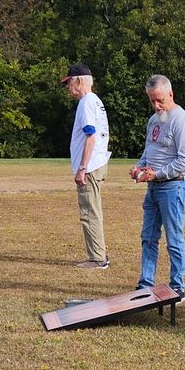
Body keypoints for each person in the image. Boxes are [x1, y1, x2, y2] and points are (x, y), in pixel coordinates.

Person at [132, 75, 185, 296]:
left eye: (159, 100)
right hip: (153, 188)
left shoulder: (182, 121)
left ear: (171, 94)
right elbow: (148, 150)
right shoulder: (154, 121)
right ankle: (145, 284)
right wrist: (139, 168)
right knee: (148, 236)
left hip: (173, 188)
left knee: (173, 237)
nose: (156, 105)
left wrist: (157, 174)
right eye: (152, 101)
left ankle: (177, 286)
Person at [64, 63, 113, 269]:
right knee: (93, 209)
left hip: (90, 166)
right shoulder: (96, 101)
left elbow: (90, 136)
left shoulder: (86, 103)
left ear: (79, 81)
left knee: (89, 212)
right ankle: (99, 254)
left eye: (69, 83)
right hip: (97, 163)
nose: (68, 88)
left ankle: (97, 258)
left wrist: (82, 168)